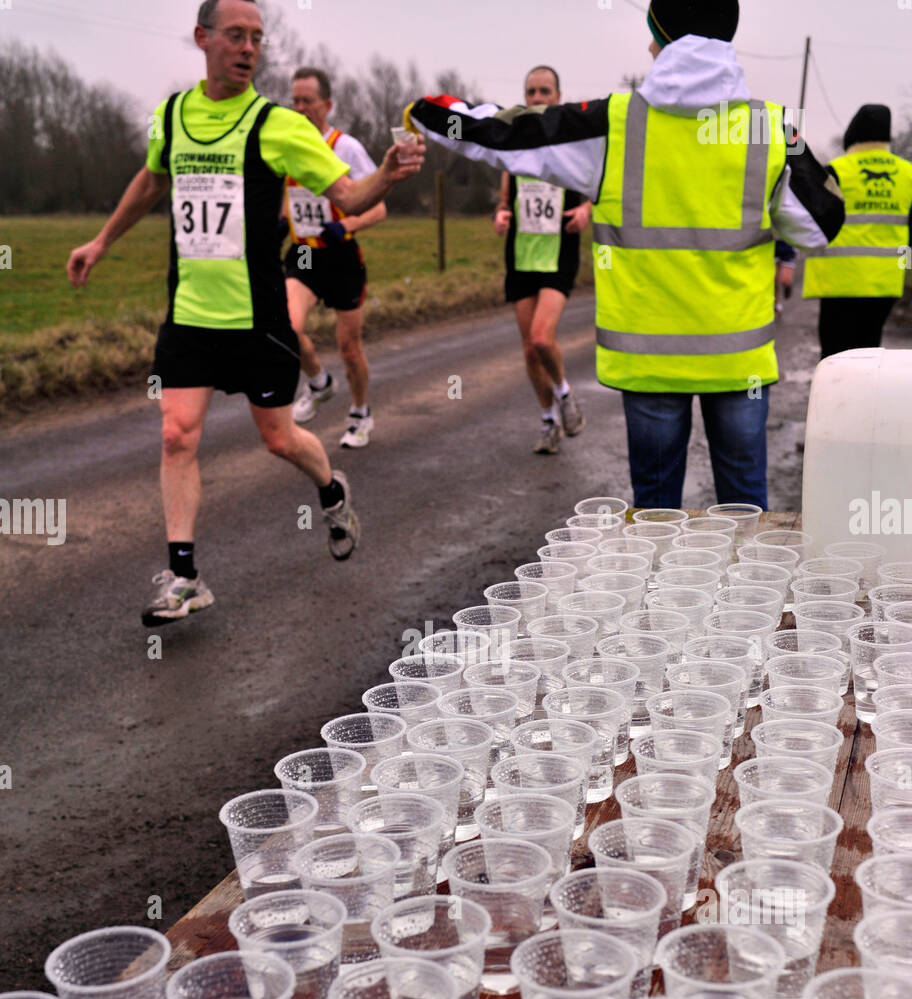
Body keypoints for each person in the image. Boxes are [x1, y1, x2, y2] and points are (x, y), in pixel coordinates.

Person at [405, 0, 845, 509]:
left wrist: (428, 111)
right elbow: (820, 226)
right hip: (737, 362)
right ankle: (746, 592)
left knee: (655, 520)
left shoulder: (612, 123)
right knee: (744, 513)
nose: (649, 46)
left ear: (662, 38)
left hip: (650, 362)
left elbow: (505, 134)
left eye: (653, 35)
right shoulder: (774, 129)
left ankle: (661, 590)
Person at [66, 0, 423, 626]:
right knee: (177, 434)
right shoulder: (171, 117)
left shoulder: (280, 125)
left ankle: (333, 491)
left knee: (278, 438)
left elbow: (347, 193)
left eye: (257, 37)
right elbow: (151, 181)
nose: (249, 47)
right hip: (190, 314)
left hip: (256, 318)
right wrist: (100, 241)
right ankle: (184, 576)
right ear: (203, 38)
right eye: (236, 35)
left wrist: (387, 176)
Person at [285, 67, 384, 448]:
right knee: (287, 328)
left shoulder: (346, 148)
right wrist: (282, 223)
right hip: (306, 254)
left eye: (307, 100)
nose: (299, 107)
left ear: (326, 104)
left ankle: (360, 413)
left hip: (341, 255)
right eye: (294, 100)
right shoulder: (288, 145)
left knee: (348, 347)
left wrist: (347, 226)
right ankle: (319, 382)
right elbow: (289, 196)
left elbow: (379, 207)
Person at [492, 66, 589, 455]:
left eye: (544, 91)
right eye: (531, 92)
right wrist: (500, 214)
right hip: (521, 255)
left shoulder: (573, 145)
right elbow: (504, 199)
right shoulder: (515, 147)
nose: (537, 98)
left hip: (559, 254)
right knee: (529, 350)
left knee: (540, 337)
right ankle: (549, 420)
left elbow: (592, 192)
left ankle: (565, 394)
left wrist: (586, 212)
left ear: (558, 96)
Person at [802, 104, 912, 359]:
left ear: (853, 133)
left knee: (833, 357)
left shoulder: (836, 172)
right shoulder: (907, 174)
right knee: (869, 354)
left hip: (838, 282)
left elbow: (810, 221)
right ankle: (864, 399)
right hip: (884, 284)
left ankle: (832, 399)